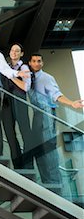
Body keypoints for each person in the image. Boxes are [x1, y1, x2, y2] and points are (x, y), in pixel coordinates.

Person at [28, 53, 84, 187]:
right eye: (34, 61)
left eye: (39, 61)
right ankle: (46, 180)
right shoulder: (28, 77)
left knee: (48, 147)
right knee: (37, 148)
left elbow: (56, 95)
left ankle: (54, 182)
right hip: (37, 114)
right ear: (30, 63)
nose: (37, 63)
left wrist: (71, 103)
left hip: (47, 113)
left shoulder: (47, 78)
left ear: (42, 63)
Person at [1, 43, 33, 169]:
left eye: (17, 51)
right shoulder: (6, 67)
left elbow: (26, 87)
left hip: (19, 99)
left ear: (21, 54)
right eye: (12, 50)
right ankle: (18, 165)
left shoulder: (24, 67)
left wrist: (12, 75)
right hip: (6, 100)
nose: (14, 52)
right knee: (9, 133)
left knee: (25, 132)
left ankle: (28, 165)